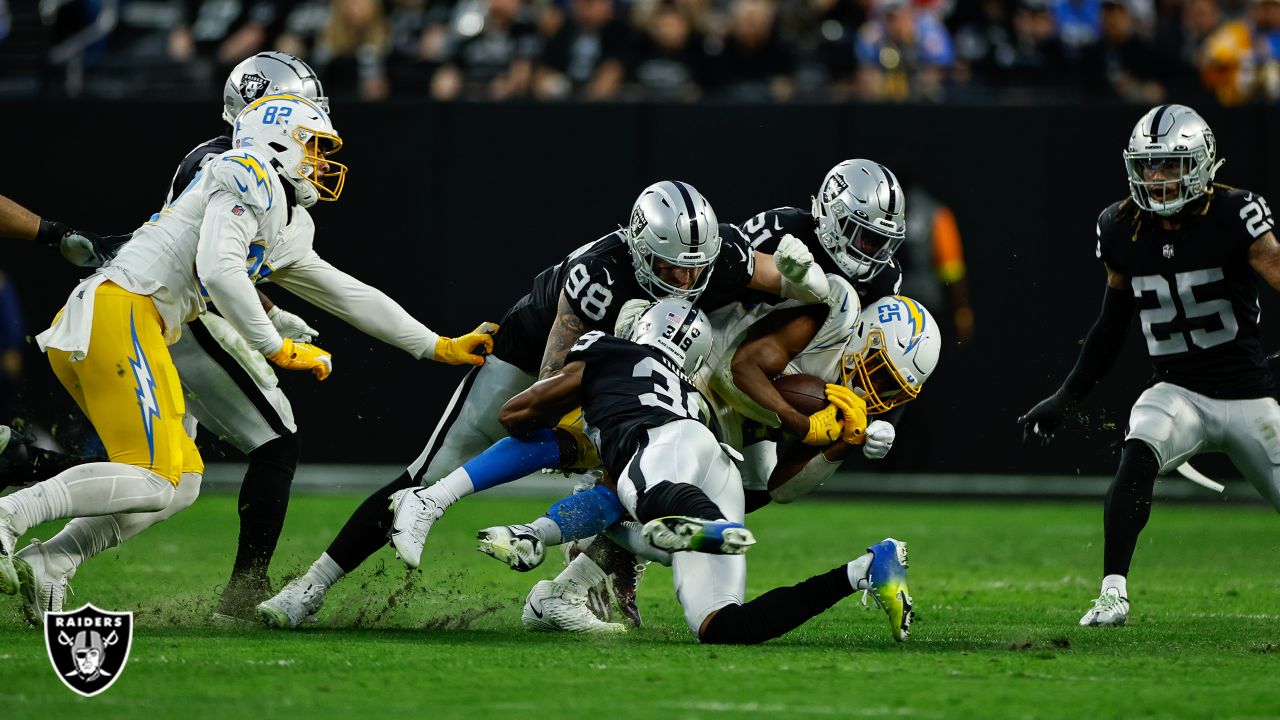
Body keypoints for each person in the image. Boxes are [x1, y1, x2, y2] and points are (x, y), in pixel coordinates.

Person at [0, 94, 496, 622]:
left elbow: (343, 290)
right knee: (155, 475)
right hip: (123, 310)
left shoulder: (284, 212)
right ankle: (9, 512)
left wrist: (433, 344)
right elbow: (218, 269)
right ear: (278, 139)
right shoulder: (246, 169)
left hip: (131, 321)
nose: (323, 163)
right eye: (315, 147)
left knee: (180, 484)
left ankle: (54, 560)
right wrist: (275, 345)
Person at [257, 180, 830, 628]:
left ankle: (572, 587)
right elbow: (554, 385)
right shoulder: (597, 276)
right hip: (535, 360)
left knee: (644, 470)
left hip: (629, 367)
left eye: (694, 269)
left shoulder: (719, 255)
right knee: (435, 466)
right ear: (637, 247)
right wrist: (605, 430)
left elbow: (792, 285)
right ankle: (311, 586)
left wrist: (812, 283)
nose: (683, 279)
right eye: (669, 266)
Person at [498, 299, 913, 643]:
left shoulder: (607, 363)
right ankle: (859, 570)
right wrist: (803, 423)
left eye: (893, 388)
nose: (879, 390)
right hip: (715, 456)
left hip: (691, 441)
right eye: (879, 372)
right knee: (703, 599)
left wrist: (842, 443)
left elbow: (779, 486)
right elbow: (743, 367)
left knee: (635, 499)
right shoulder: (826, 315)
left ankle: (704, 531)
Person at [1019, 104, 1280, 627]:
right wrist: (1065, 398)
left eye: (1170, 165)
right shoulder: (1119, 227)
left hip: (1250, 396)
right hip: (1178, 391)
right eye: (1148, 165)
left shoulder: (1237, 214)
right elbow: (1110, 328)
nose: (1157, 178)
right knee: (1139, 446)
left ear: (1203, 163)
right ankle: (1113, 593)